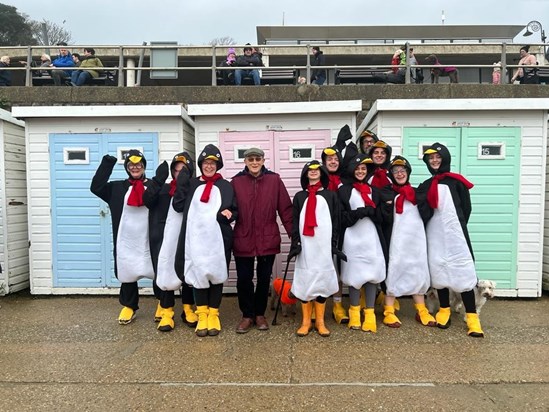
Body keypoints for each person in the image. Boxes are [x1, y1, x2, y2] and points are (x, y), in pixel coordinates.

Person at [90, 150, 169, 325]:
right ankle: (129, 306)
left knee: (157, 268)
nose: (135, 168)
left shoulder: (155, 186)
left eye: (139, 165)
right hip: (127, 239)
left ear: (144, 166)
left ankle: (162, 303)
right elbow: (96, 187)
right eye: (131, 165)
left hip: (150, 237)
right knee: (127, 270)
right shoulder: (116, 188)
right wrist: (107, 164)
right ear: (127, 168)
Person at [417, 143, 484, 337]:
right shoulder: (426, 185)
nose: (435, 161)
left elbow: (467, 208)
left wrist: (457, 228)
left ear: (445, 158)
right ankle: (444, 309)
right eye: (431, 159)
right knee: (440, 271)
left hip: (456, 235)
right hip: (435, 235)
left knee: (463, 272)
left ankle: (472, 316)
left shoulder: (457, 183)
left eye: (438, 157)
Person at [173, 144, 237, 337]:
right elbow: (178, 205)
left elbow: (234, 209)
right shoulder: (192, 184)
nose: (209, 166)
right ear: (201, 164)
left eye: (213, 163)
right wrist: (182, 182)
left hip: (217, 240)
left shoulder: (225, 186)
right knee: (199, 276)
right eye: (206, 163)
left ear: (218, 165)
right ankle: (202, 314)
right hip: (195, 240)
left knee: (216, 276)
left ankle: (213, 314)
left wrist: (229, 214)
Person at [231, 147, 293, 333]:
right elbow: (228, 208)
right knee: (244, 279)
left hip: (267, 238)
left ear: (263, 161)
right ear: (245, 162)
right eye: (251, 159)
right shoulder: (236, 182)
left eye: (258, 159)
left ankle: (259, 314)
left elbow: (286, 210)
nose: (255, 162)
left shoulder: (274, 180)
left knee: (264, 279)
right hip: (243, 237)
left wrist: (294, 235)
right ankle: (246, 315)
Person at [143, 152, 198, 332]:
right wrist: (156, 181)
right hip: (164, 237)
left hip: (187, 236)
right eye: (176, 170)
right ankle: (167, 310)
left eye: (183, 170)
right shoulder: (164, 189)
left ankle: (188, 308)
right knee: (166, 269)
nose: (179, 174)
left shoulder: (194, 189)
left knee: (188, 270)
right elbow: (148, 201)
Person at [380, 156, 436, 328]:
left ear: (408, 172)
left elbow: (428, 215)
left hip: (415, 242)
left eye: (402, 171)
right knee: (394, 270)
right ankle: (388, 311)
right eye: (395, 171)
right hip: (395, 241)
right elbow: (382, 217)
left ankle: (421, 310)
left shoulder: (418, 193)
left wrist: (419, 202)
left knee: (417, 270)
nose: (399, 174)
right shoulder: (386, 192)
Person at [288, 160, 342, 337]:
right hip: (305, 246)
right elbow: (294, 221)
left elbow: (336, 220)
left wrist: (333, 243)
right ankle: (305, 321)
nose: (313, 172)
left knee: (321, 281)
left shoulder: (330, 196)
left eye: (316, 169)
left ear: (322, 173)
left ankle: (320, 321)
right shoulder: (299, 197)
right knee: (305, 280)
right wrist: (295, 241)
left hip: (323, 247)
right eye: (309, 170)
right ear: (305, 174)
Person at [320, 144, 349, 324]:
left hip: (342, 229)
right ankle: (318, 304)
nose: (332, 162)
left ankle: (338, 306)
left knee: (337, 268)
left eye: (336, 159)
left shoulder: (345, 181)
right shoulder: (317, 181)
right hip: (321, 230)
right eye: (329, 159)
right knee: (320, 267)